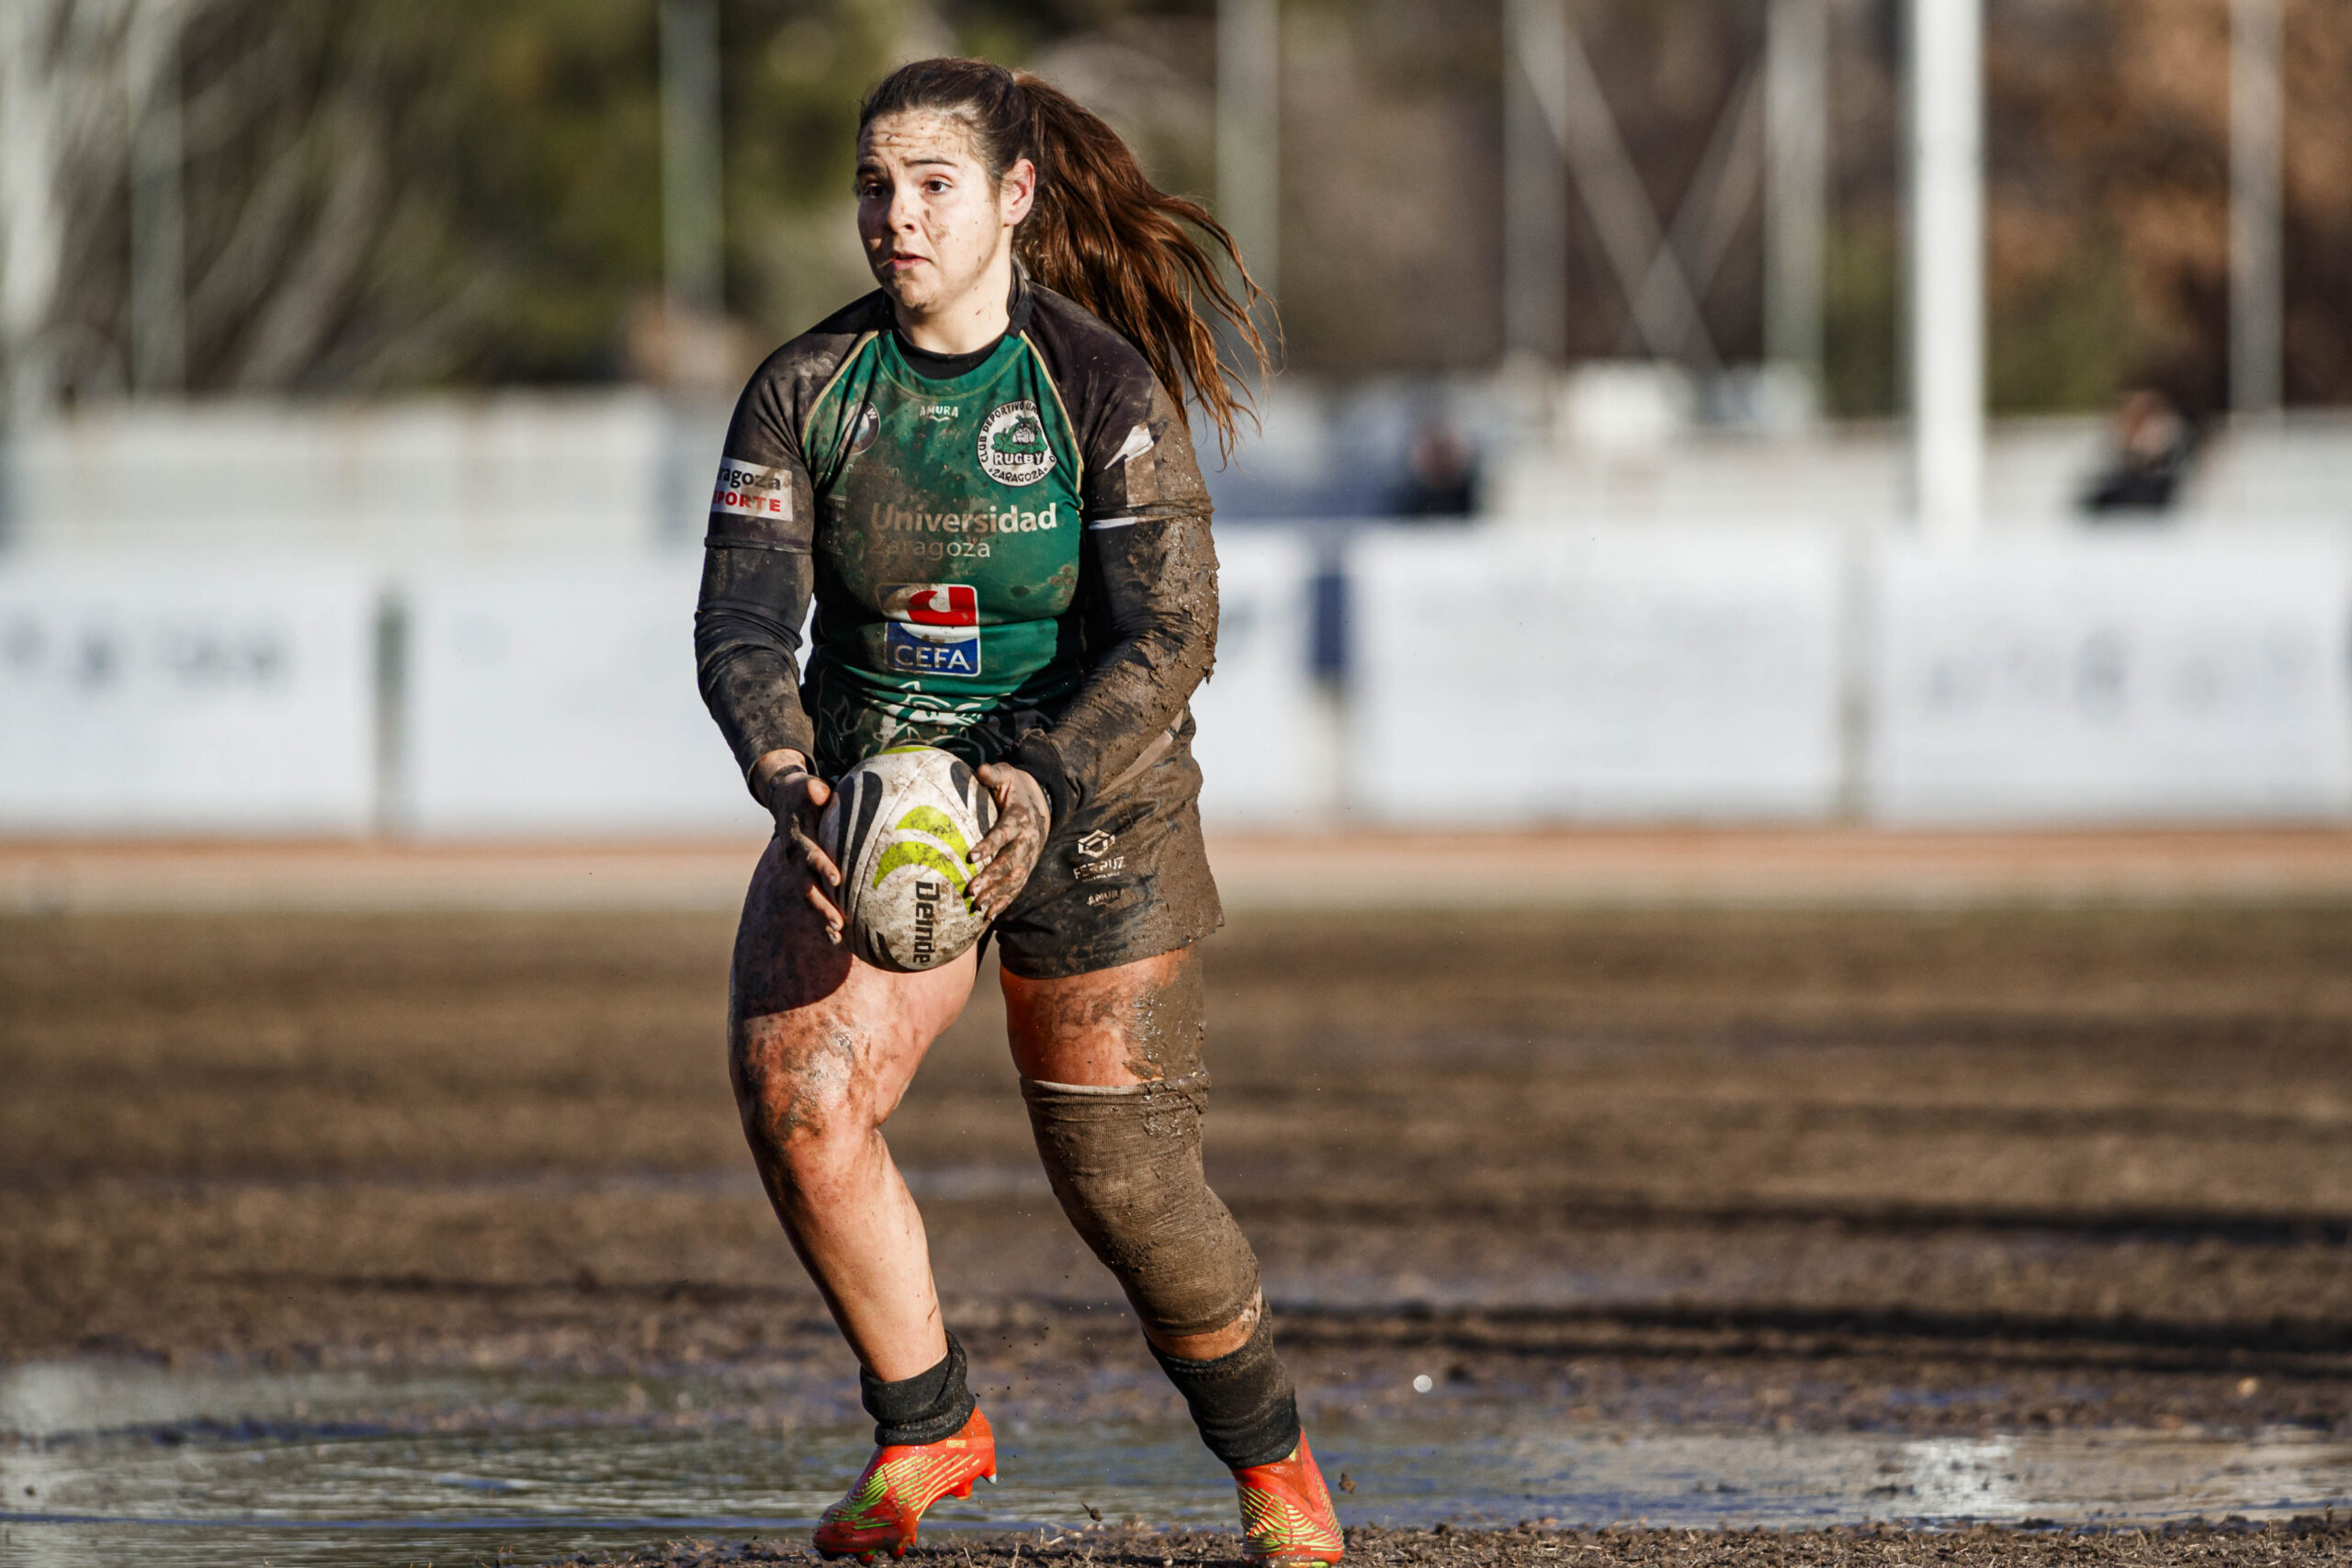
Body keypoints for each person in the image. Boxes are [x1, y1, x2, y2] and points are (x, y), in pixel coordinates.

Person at [692, 57, 1344, 1568]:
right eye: (874, 186)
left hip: (1093, 808)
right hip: (875, 793)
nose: (895, 217)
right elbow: (740, 628)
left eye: (930, 186)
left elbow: (1171, 633)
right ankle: (928, 1425)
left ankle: (1273, 1461)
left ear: (1014, 198)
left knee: (1122, 1181)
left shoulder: (1100, 388)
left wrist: (1040, 780)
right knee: (798, 1096)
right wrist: (792, 777)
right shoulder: (804, 390)